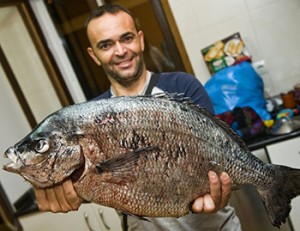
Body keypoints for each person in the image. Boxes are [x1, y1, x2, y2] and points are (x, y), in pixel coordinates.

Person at [35, 4, 241, 230]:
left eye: (127, 38)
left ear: (141, 40)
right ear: (94, 55)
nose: (121, 51)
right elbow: (96, 182)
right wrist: (63, 188)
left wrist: (220, 189)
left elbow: (217, 155)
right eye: (106, 45)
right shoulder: (91, 118)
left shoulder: (182, 86)